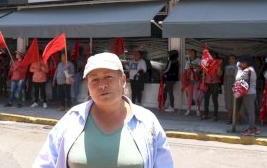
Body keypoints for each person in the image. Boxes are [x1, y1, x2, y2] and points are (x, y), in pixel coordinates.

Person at [33, 52, 174, 168]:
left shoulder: (147, 121)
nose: (102, 85)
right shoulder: (72, 119)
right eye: (94, 79)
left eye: (108, 77)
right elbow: (45, 162)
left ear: (123, 80)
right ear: (87, 84)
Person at [236, 55, 259, 136]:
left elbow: (238, 78)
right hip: (249, 94)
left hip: (249, 94)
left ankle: (251, 130)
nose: (241, 64)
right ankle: (253, 127)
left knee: (250, 113)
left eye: (242, 62)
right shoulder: (251, 69)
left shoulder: (248, 70)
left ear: (246, 63)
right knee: (242, 112)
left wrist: (239, 69)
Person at [202, 51, 223, 121]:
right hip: (207, 83)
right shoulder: (207, 64)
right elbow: (204, 73)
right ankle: (206, 114)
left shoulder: (217, 64)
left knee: (214, 100)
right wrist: (203, 82)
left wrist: (218, 66)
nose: (211, 57)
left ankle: (215, 115)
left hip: (215, 83)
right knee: (206, 99)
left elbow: (220, 74)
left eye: (213, 56)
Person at [183, 49, 202, 116]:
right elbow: (185, 71)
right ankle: (188, 110)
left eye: (192, 53)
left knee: (197, 96)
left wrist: (193, 66)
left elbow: (201, 69)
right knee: (189, 96)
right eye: (190, 53)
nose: (191, 54)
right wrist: (184, 82)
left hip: (196, 80)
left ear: (195, 54)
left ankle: (198, 110)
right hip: (189, 81)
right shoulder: (187, 61)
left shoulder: (198, 60)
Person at [223, 54, 237, 124]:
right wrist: (224, 85)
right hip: (228, 85)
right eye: (230, 59)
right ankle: (229, 117)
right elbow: (225, 76)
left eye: (232, 59)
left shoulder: (237, 67)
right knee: (228, 101)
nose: (231, 60)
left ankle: (235, 118)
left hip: (234, 85)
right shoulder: (226, 67)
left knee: (235, 101)